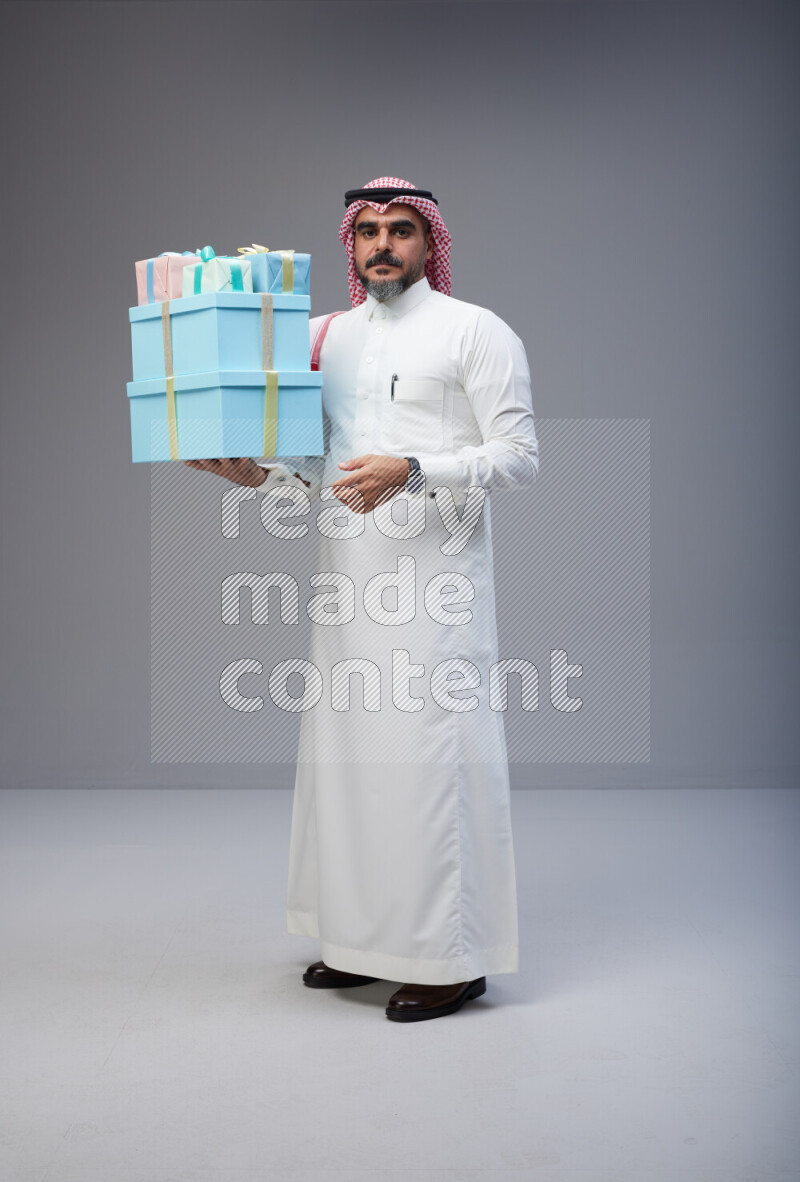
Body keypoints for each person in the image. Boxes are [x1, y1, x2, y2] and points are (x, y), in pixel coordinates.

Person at [184, 176, 539, 1022]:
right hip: (347, 583)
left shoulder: (475, 332)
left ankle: (450, 958)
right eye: (368, 230)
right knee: (348, 769)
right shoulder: (323, 337)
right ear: (349, 244)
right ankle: (359, 943)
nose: (382, 244)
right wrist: (253, 473)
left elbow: (520, 457)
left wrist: (415, 468)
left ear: (430, 243)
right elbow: (316, 472)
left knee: (427, 766)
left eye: (402, 230)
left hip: (437, 588)